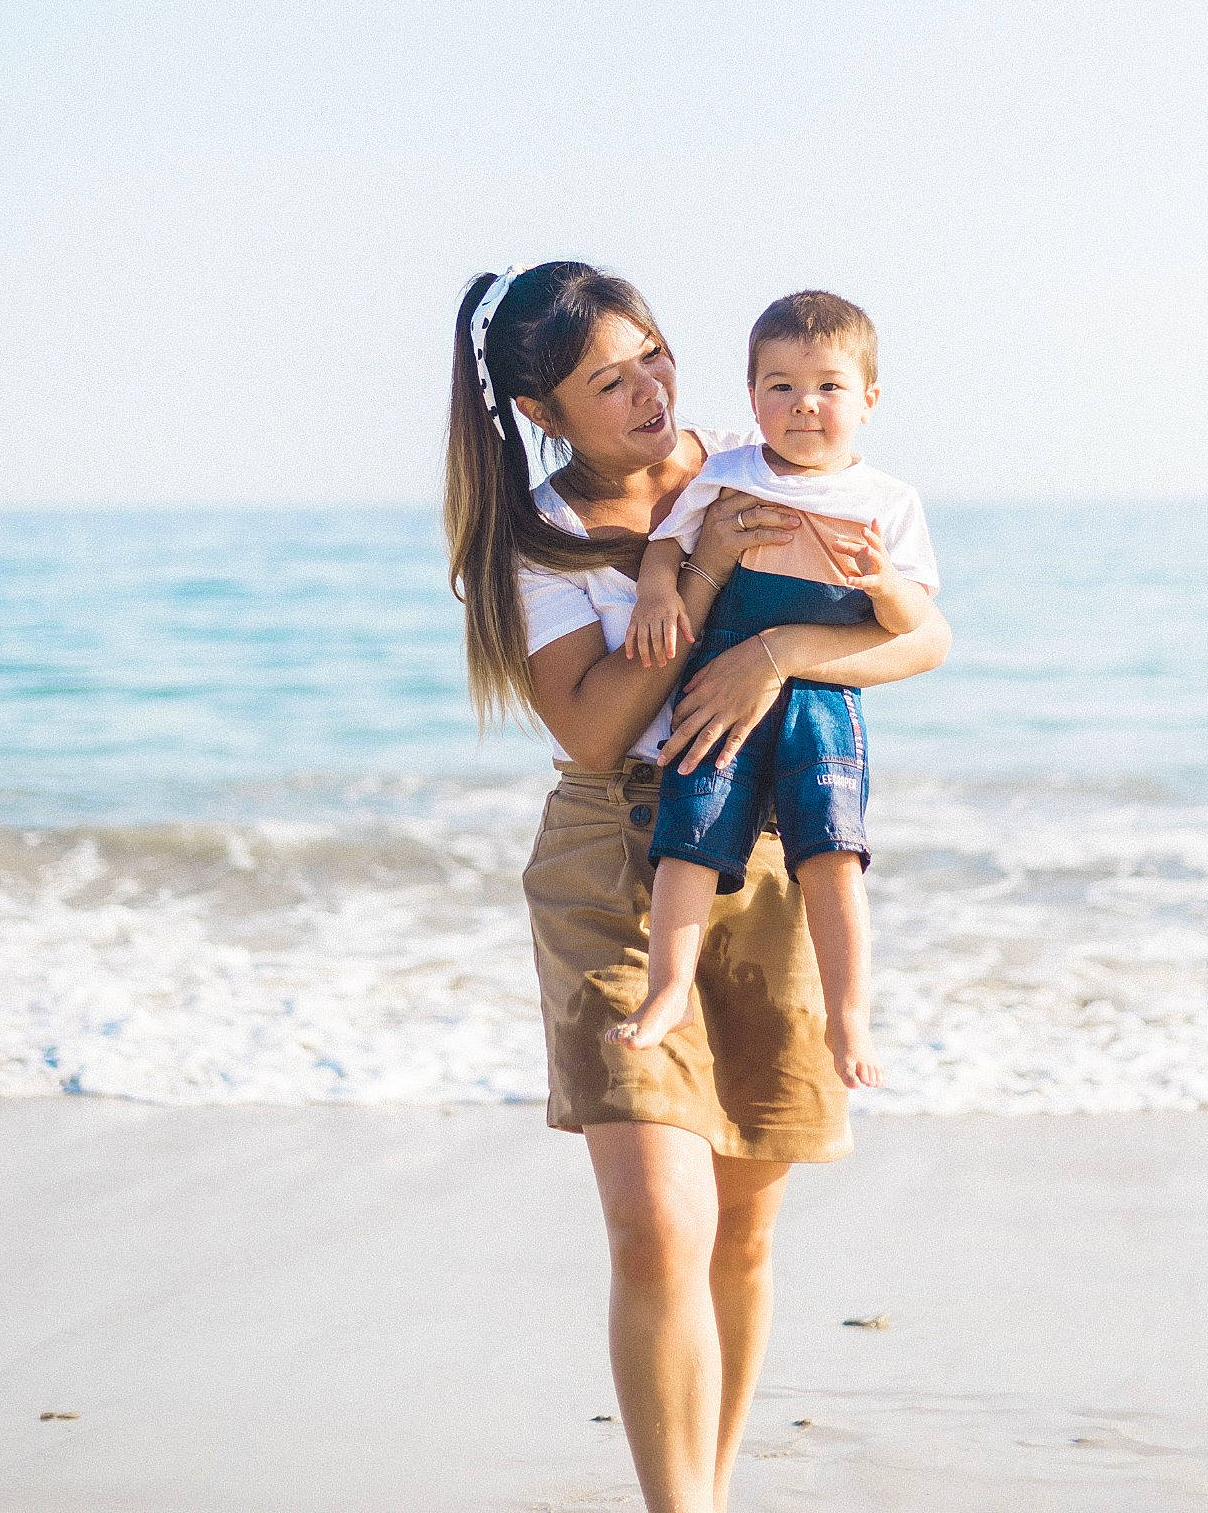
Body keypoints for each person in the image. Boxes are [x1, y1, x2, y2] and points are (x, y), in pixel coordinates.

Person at [443, 261, 951, 1513]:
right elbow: (592, 733)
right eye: (609, 382)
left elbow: (912, 631)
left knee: (743, 1223)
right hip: (618, 862)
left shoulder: (758, 455)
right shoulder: (534, 539)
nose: (650, 390)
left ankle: (710, 1496)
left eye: (656, 354)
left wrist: (777, 652)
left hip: (769, 848)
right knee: (659, 1222)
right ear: (546, 413)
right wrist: (707, 577)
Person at [608, 290, 939, 1087]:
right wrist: (658, 593)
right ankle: (666, 990)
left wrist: (883, 582)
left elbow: (914, 619)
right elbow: (665, 546)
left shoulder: (888, 503)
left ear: (868, 400)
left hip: (821, 700)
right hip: (720, 680)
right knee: (689, 838)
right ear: (752, 396)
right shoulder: (727, 476)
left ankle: (850, 1015)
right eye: (779, 385)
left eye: (828, 385)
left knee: (832, 855)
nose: (803, 405)